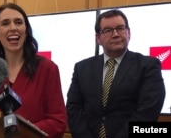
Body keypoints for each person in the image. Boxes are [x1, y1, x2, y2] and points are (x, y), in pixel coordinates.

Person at [66, 9, 165, 138]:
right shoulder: (82, 68)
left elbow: (147, 112)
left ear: (129, 33)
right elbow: (73, 109)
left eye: (120, 28)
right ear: (98, 38)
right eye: (108, 30)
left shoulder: (148, 66)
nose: (116, 34)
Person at [0, 3, 67, 138]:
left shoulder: (47, 68)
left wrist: (21, 131)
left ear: (26, 30)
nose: (13, 28)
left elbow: (58, 122)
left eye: (18, 22)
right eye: (5, 23)